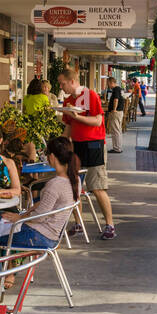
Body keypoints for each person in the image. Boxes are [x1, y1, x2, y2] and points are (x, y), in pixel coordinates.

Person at [0, 136, 80, 263]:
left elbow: (39, 217)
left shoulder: (55, 184)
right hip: (51, 235)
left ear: (52, 157)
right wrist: (26, 213)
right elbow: (46, 205)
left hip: (40, 236)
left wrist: (20, 218)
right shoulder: (75, 179)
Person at [57, 68, 116, 239]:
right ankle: (78, 223)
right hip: (76, 146)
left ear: (73, 81)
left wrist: (77, 117)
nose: (61, 87)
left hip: (94, 145)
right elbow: (68, 126)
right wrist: (60, 143)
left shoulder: (90, 95)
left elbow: (98, 120)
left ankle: (110, 225)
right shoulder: (68, 100)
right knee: (74, 186)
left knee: (97, 186)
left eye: (63, 83)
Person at [105, 76, 126, 154]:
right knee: (118, 130)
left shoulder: (116, 89)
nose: (108, 85)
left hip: (116, 112)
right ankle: (118, 147)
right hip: (119, 112)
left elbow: (116, 99)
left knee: (115, 130)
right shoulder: (119, 89)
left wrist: (114, 109)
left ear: (111, 82)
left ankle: (117, 148)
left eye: (108, 83)